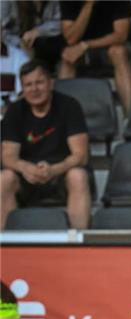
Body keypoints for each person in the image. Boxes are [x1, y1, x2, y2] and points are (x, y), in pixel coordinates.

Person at [1, 59, 91, 230]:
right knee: (4, 179)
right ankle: (4, 245)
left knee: (78, 176)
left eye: (39, 82)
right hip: (26, 177)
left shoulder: (69, 106)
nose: (34, 89)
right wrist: (26, 168)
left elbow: (81, 156)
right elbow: (8, 157)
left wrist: (53, 170)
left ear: (50, 83)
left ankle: (77, 240)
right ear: (22, 88)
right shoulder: (15, 111)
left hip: (61, 173)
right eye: (28, 85)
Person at [59, 1, 131, 113]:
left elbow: (121, 36)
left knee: (117, 52)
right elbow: (70, 39)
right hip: (83, 51)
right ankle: (61, 116)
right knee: (68, 56)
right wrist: (88, 5)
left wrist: (86, 45)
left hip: (112, 47)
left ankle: (130, 114)